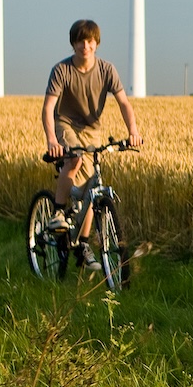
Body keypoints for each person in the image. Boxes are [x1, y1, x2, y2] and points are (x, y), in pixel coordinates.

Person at [42, 19, 143, 268]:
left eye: (89, 41)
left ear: (96, 44)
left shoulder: (107, 70)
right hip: (66, 124)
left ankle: (83, 245)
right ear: (73, 43)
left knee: (91, 188)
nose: (84, 46)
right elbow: (48, 108)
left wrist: (133, 131)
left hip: (93, 130)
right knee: (74, 159)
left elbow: (123, 103)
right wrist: (52, 140)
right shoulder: (61, 71)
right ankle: (57, 212)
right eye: (80, 41)